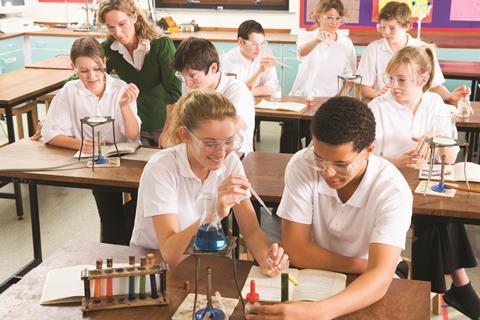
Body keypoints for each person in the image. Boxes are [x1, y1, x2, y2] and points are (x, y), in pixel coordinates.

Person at [248, 96, 413, 319]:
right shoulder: (302, 165)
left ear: (369, 150)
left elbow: (381, 279)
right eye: (319, 157)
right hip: (323, 271)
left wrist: (318, 312)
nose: (327, 172)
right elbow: (296, 250)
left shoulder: (392, 189)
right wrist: (366, 266)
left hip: (370, 282)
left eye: (341, 164)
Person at [368, 45, 480, 319]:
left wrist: (439, 140)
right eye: (391, 78)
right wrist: (396, 161)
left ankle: (432, 292)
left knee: (436, 216)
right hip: (385, 183)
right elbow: (362, 158)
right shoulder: (377, 108)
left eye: (401, 80)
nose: (393, 86)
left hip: (425, 185)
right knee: (434, 221)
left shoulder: (436, 106)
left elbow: (450, 158)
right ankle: (455, 288)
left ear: (422, 78)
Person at [130, 89, 287, 275]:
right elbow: (170, 254)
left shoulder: (230, 161)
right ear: (185, 136)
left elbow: (251, 230)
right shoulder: (161, 169)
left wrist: (267, 258)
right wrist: (213, 213)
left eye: (229, 141)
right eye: (210, 144)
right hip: (154, 265)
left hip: (202, 260)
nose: (221, 153)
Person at [41, 37, 141, 245]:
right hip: (97, 165)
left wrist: (124, 107)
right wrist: (80, 144)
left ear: (105, 62)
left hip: (126, 161)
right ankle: (115, 247)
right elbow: (50, 133)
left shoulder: (120, 88)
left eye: (97, 68)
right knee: (110, 214)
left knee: (141, 208)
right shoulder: (70, 91)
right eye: (84, 71)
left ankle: (130, 240)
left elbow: (132, 136)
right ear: (73, 67)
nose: (93, 76)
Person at [98, 0, 181, 147]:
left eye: (122, 24)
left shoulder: (161, 45)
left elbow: (175, 92)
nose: (117, 33)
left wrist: (168, 130)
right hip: (134, 125)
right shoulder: (109, 49)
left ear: (134, 18)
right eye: (111, 27)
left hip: (164, 124)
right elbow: (91, 74)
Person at [357, 1, 463, 104]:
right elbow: (363, 87)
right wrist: (379, 94)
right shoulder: (373, 49)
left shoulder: (422, 49)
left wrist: (449, 96)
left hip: (414, 106)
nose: (386, 32)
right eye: (382, 27)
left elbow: (435, 86)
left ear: (407, 26)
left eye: (392, 28)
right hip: (384, 105)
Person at [165, 37, 255, 154]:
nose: (187, 83)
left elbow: (230, 129)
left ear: (213, 68)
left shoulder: (237, 90)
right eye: (182, 76)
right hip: (201, 154)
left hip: (234, 156)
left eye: (193, 76)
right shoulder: (190, 84)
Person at [290, 0, 356, 97]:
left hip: (332, 98)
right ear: (318, 17)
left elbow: (351, 78)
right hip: (305, 96)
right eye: (329, 18)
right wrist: (317, 40)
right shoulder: (307, 36)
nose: (334, 22)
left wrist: (339, 99)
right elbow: (301, 53)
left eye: (338, 18)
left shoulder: (346, 43)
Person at [221, 20, 278, 96]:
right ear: (241, 42)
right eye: (254, 44)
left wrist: (249, 92)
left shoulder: (265, 55)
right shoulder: (230, 59)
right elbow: (236, 93)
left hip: (261, 102)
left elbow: (272, 88)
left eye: (261, 43)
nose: (259, 49)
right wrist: (260, 71)